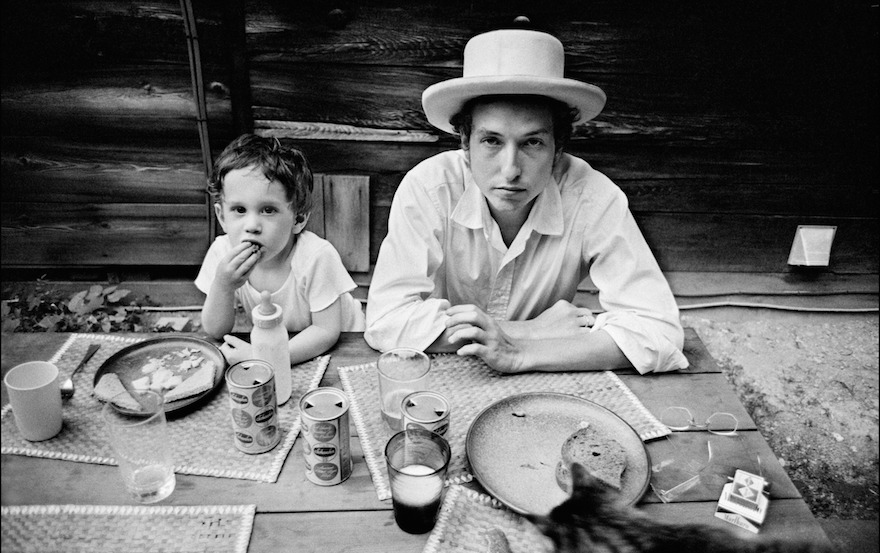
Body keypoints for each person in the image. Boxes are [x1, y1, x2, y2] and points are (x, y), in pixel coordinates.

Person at [364, 28, 688, 374]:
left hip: (545, 370)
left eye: (532, 143)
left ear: (558, 148)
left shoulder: (593, 196)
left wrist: (522, 354)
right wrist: (531, 331)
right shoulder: (429, 188)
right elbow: (386, 321)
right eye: (491, 141)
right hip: (444, 370)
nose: (511, 170)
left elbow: (660, 332)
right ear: (464, 145)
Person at [196, 134, 365, 365]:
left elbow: (325, 331)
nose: (252, 226)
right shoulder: (222, 253)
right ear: (221, 216)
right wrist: (223, 286)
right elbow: (216, 331)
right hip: (284, 345)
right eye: (239, 209)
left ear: (298, 219)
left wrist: (266, 358)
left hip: (346, 346)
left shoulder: (316, 256)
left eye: (268, 210)